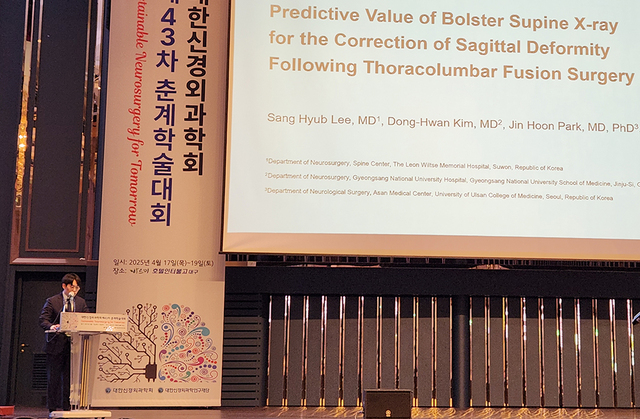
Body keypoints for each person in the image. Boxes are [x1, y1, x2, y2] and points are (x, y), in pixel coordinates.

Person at [38, 273, 90, 412]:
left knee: (68, 378)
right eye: (72, 287)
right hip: (55, 344)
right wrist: (52, 326)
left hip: (73, 345)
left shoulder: (81, 302)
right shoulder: (53, 301)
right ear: (64, 286)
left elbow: (87, 318)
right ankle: (52, 408)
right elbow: (43, 320)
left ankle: (66, 407)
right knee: (53, 378)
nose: (75, 290)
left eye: (77, 287)